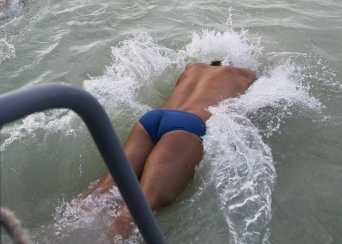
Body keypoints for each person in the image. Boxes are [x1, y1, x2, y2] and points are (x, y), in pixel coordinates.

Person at [85, 61, 257, 237]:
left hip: (152, 119)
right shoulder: (244, 73)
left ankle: (55, 237)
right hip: (188, 125)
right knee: (141, 209)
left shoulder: (193, 66)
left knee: (99, 195)